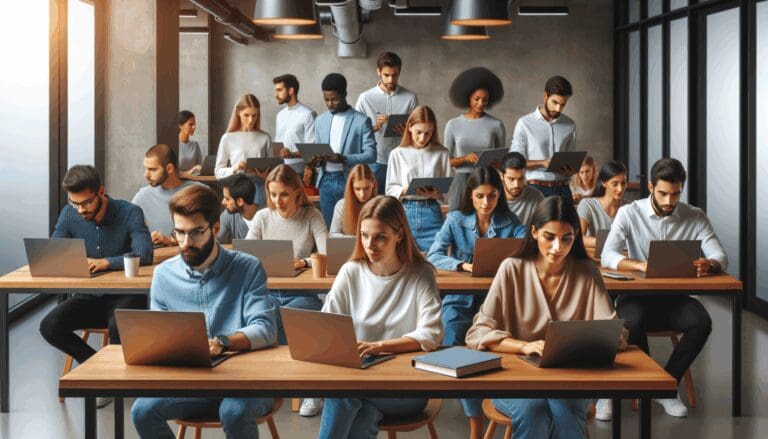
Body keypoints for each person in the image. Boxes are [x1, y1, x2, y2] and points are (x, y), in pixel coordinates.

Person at [466, 196, 625, 439]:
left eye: (567, 238)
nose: (557, 247)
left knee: (567, 412)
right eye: (549, 237)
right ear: (534, 232)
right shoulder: (512, 268)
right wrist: (524, 346)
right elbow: (477, 333)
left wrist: (581, 346)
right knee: (533, 411)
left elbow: (616, 334)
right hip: (514, 375)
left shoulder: (587, 271)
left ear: (576, 237)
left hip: (571, 375)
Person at [131, 184, 278, 439]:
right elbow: (159, 338)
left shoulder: (248, 267)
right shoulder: (163, 275)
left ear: (216, 228)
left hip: (247, 383)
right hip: (191, 384)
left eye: (196, 233)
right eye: (179, 233)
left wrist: (223, 342)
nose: (186, 243)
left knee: (233, 412)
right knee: (142, 411)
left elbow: (265, 328)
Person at [599, 158, 727, 420]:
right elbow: (607, 255)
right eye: (663, 193)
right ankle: (648, 383)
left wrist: (711, 264)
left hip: (674, 299)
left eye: (676, 194)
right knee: (630, 321)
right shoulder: (629, 212)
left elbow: (720, 255)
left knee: (702, 322)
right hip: (636, 297)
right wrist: (639, 265)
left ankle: (665, 385)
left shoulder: (695, 215)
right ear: (650, 187)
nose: (669, 201)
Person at [318, 196, 442, 439]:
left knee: (342, 395)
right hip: (360, 378)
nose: (370, 244)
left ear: (400, 235)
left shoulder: (421, 273)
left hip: (407, 387)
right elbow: (326, 324)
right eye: (364, 235)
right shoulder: (350, 271)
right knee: (362, 413)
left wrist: (379, 347)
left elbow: (432, 335)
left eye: (380, 237)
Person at [39, 165, 152, 407]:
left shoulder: (130, 212)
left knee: (118, 324)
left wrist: (106, 263)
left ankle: (110, 381)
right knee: (49, 325)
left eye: (87, 203)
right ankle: (102, 372)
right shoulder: (70, 215)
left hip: (126, 296)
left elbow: (145, 253)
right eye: (75, 203)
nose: (81, 210)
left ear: (101, 192)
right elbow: (56, 250)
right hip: (89, 296)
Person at [426, 166, 526, 434]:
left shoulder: (511, 222)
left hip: (497, 300)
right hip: (460, 297)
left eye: (492, 196)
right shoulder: (456, 219)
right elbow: (433, 254)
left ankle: (498, 403)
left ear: (499, 195)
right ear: (470, 195)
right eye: (480, 196)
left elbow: (528, 252)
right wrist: (463, 265)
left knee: (502, 343)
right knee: (452, 341)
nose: (486, 203)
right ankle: (475, 419)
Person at [245, 165, 327, 417]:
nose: (277, 201)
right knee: (258, 320)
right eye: (272, 194)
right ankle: (266, 385)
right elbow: (244, 256)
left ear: (296, 193)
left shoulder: (312, 216)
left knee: (305, 321)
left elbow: (327, 254)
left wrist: (304, 262)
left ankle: (312, 391)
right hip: (267, 292)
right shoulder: (262, 218)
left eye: (283, 194)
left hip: (301, 292)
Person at [386, 105, 452, 252]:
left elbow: (448, 193)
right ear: (409, 127)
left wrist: (435, 194)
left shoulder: (442, 153)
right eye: (418, 132)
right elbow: (389, 190)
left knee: (435, 261)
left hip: (432, 212)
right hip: (405, 212)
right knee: (403, 261)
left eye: (428, 133)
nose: (423, 138)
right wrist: (404, 189)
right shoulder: (397, 153)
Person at [313, 73, 376, 226]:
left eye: (334, 99)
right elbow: (317, 149)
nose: (330, 104)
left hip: (349, 180)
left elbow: (371, 154)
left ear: (345, 94)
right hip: (325, 181)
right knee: (330, 228)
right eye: (326, 100)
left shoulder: (361, 121)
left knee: (353, 226)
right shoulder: (320, 120)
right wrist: (316, 160)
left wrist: (345, 159)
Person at [355, 52, 419, 194]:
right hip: (375, 163)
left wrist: (407, 132)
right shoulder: (365, 98)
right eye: (386, 75)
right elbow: (356, 134)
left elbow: (419, 133)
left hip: (403, 162)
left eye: (395, 75)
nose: (391, 80)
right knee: (375, 206)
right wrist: (374, 128)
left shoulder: (410, 98)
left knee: (399, 207)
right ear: (378, 72)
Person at [444, 67, 506, 210]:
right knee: (458, 219)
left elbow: (502, 161)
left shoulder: (496, 125)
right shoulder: (453, 125)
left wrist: (494, 163)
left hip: (487, 179)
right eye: (476, 99)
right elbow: (446, 161)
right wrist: (465, 159)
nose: (480, 103)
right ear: (467, 97)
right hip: (461, 180)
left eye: (485, 100)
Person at [510, 75, 577, 199]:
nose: (558, 109)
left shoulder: (570, 125)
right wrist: (542, 163)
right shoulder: (524, 123)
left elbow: (570, 160)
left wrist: (571, 171)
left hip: (563, 189)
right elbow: (514, 162)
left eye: (563, 104)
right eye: (555, 102)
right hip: (534, 189)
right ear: (545, 96)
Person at [132, 144, 201, 247]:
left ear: (169, 168)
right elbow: (128, 233)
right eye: (146, 169)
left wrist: (172, 241)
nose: (146, 175)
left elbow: (208, 234)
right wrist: (145, 239)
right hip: (155, 260)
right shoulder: (142, 197)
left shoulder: (198, 192)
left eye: (152, 169)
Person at [215, 94, 272, 206]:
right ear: (238, 112)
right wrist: (234, 169)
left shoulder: (265, 137)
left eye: (254, 115)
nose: (251, 120)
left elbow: (273, 171)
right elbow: (218, 172)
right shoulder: (227, 138)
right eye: (246, 115)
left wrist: (266, 176)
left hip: (260, 189)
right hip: (237, 189)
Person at [577, 160, 628, 254]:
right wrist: (612, 242)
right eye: (615, 184)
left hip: (623, 258)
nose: (620, 189)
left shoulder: (629, 208)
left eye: (623, 183)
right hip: (596, 259)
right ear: (604, 183)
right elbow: (578, 237)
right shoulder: (587, 205)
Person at [273, 74, 317, 174]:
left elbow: (312, 150)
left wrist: (292, 154)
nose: (276, 95)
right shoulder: (280, 115)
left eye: (279, 90)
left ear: (291, 90)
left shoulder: (308, 114)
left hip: (300, 170)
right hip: (279, 169)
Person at [329, 164, 377, 238]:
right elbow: (332, 236)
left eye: (366, 188)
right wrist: (358, 240)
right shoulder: (342, 205)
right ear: (351, 187)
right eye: (358, 189)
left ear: (373, 184)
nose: (362, 194)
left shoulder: (381, 205)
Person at [499, 152, 544, 225]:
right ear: (501, 176)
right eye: (511, 179)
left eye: (521, 178)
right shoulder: (492, 196)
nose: (516, 185)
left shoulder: (536, 196)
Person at [217, 174, 258, 244]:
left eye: (227, 199)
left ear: (240, 201)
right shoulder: (227, 215)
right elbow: (216, 240)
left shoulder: (267, 215)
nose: (223, 202)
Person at [177, 110, 203, 174]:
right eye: (191, 124)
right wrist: (189, 172)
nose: (194, 127)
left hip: (194, 180)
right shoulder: (173, 145)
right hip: (177, 181)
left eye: (194, 124)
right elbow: (171, 172)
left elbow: (199, 167)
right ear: (181, 125)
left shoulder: (195, 145)